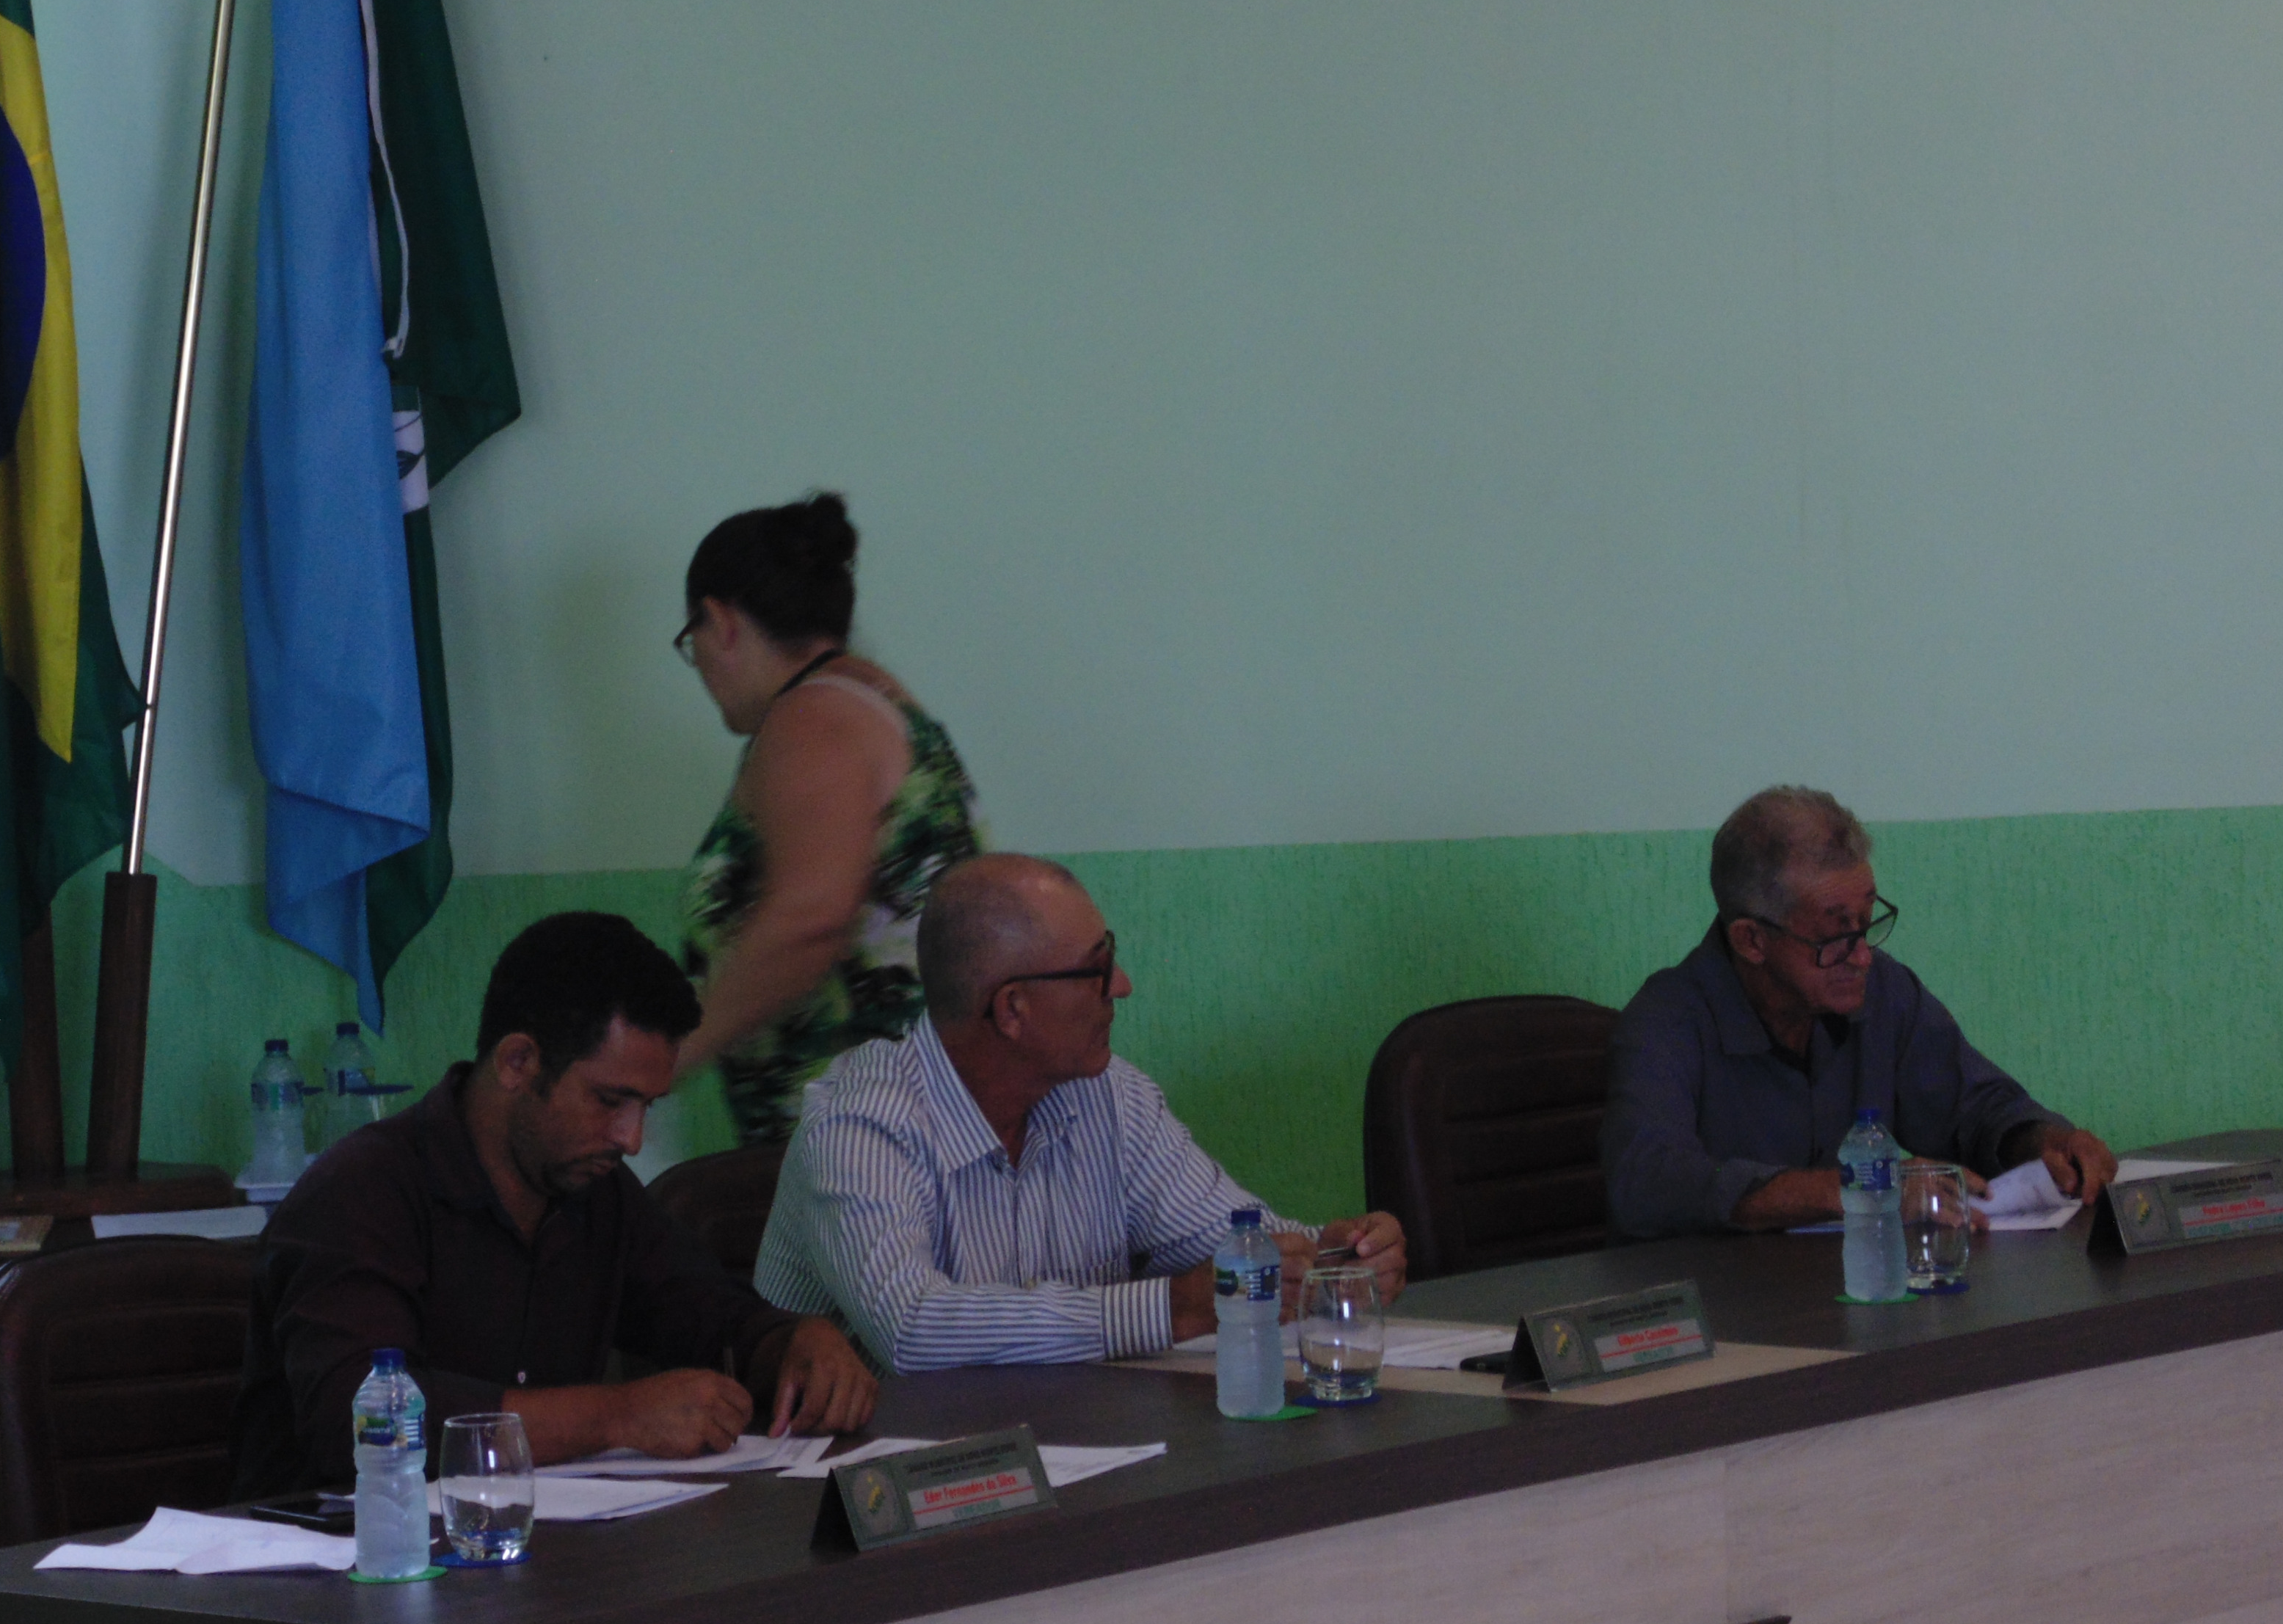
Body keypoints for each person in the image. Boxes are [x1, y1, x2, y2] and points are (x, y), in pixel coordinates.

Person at [230, 913, 880, 1498]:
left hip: (531, 1552)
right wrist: (615, 1417)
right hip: (334, 1563)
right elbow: (356, 1420)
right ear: (518, 1062)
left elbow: (709, 1316)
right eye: (609, 1101)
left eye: (646, 1107)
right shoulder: (361, 1190)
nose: (631, 1138)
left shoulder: (596, 1191)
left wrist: (796, 1342)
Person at [756, 853, 1408, 1370]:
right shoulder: (859, 1123)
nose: (1122, 985)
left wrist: (1332, 1259)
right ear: (1013, 1009)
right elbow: (910, 1329)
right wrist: (1170, 1309)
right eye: (1097, 969)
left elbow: (1230, 1244)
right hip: (874, 1477)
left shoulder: (1109, 1095)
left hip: (1068, 1444)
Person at [1603, 786, 2116, 1240]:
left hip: (1852, 1290)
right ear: (1752, 940)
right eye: (1835, 935)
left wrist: (2046, 1143)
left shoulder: (1882, 992)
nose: (1863, 957)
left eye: (1867, 923)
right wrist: (1858, 1188)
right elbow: (1649, 1183)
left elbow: (1975, 1107)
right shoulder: (1664, 1022)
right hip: (1719, 1305)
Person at [671, 492, 986, 1146]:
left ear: (720, 622)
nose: (699, 670)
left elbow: (810, 918)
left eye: (689, 643)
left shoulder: (812, 719)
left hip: (863, 1152)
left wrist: (664, 1059)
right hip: (911, 1133)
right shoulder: (875, 698)